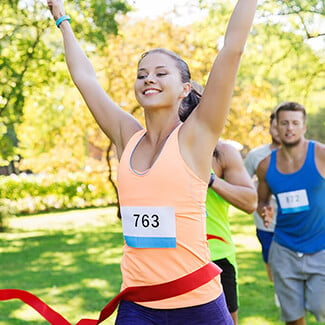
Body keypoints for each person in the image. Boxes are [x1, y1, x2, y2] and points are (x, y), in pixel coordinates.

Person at [47, 0, 257, 323]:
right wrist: (62, 17)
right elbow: (85, 78)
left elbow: (232, 50)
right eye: (142, 74)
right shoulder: (125, 136)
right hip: (139, 306)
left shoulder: (196, 136)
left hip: (199, 305)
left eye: (161, 73)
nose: (149, 79)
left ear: (184, 89)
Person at [256, 102, 325, 325]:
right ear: (275, 126)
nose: (289, 128)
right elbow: (262, 201)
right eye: (284, 123)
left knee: (320, 306)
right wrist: (265, 211)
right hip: (284, 249)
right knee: (293, 317)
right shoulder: (266, 165)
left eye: (295, 123)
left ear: (304, 126)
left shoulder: (321, 155)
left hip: (321, 246)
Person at [206, 142, 257, 325]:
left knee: (226, 321)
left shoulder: (222, 152)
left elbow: (250, 202)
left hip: (217, 256)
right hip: (172, 256)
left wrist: (211, 180)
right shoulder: (161, 145)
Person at [244, 113, 281, 287]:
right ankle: (279, 292)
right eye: (276, 124)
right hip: (266, 222)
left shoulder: (304, 155)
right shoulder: (256, 155)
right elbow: (242, 183)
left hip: (298, 222)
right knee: (270, 260)